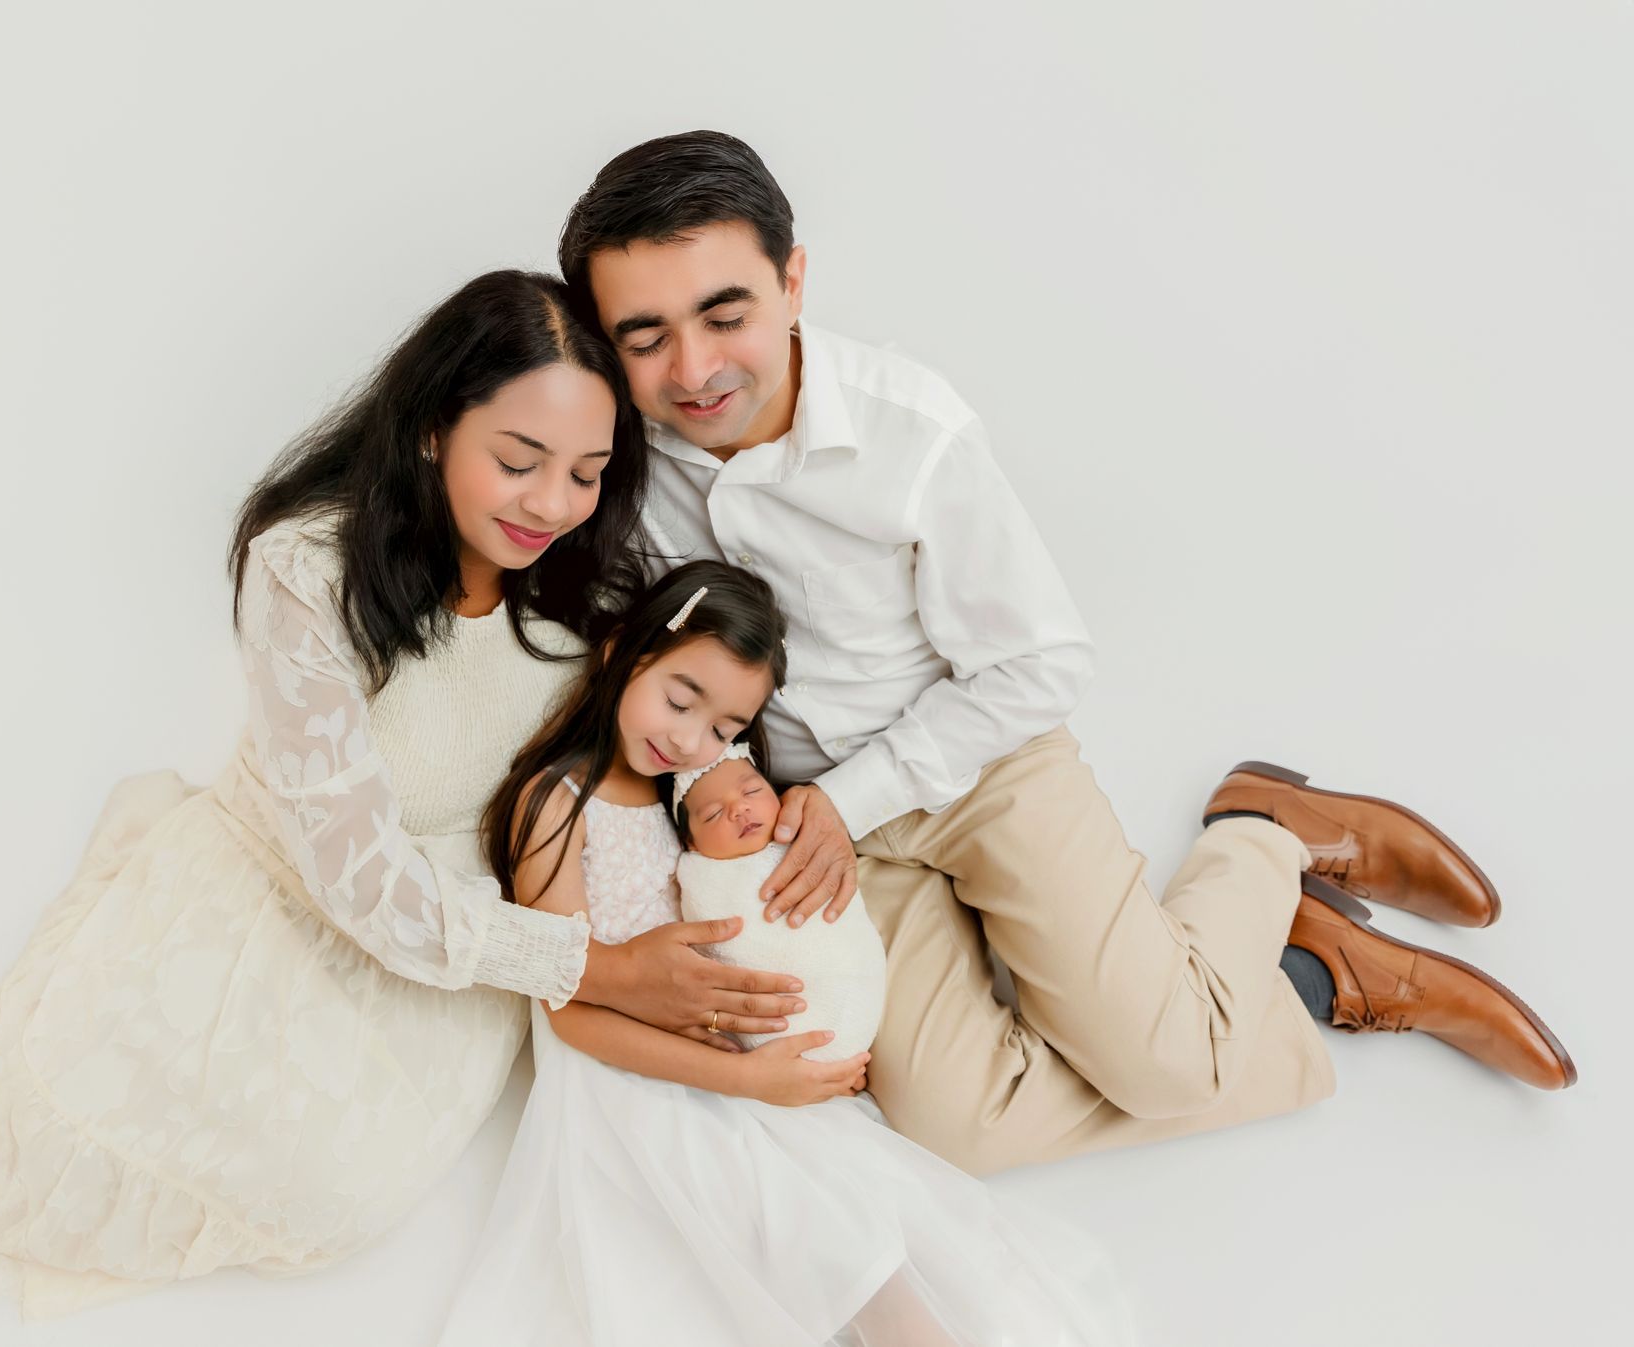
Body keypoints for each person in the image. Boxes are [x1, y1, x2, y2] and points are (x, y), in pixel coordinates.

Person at [553, 131, 1576, 1177]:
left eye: (726, 315)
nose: (694, 369)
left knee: (1168, 1070)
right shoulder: (603, 464)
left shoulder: (913, 431)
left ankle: (1261, 838)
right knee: (950, 1126)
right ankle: (1305, 974)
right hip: (811, 830)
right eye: (644, 337)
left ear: (793, 282)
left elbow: (1037, 666)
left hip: (977, 762)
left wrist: (853, 799)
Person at [0, 270, 807, 1316]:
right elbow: (355, 874)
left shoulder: (588, 588)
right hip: (300, 879)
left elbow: (693, 714)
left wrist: (790, 805)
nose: (552, 505)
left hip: (469, 924)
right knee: (105, 1119)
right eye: (519, 462)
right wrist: (594, 968)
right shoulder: (307, 569)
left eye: (586, 472)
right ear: (435, 428)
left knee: (347, 1186)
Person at [442, 562, 1132, 1347]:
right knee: (788, 1212)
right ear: (619, 656)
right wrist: (745, 1076)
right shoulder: (556, 804)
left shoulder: (694, 800)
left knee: (859, 1201)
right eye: (678, 699)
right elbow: (567, 1009)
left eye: (725, 730)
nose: (689, 740)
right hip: (633, 1081)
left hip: (729, 1060)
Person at [672, 740, 887, 1062]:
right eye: (715, 813)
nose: (739, 809)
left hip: (853, 991)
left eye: (752, 792)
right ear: (691, 844)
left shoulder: (808, 832)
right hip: (772, 1024)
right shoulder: (701, 877)